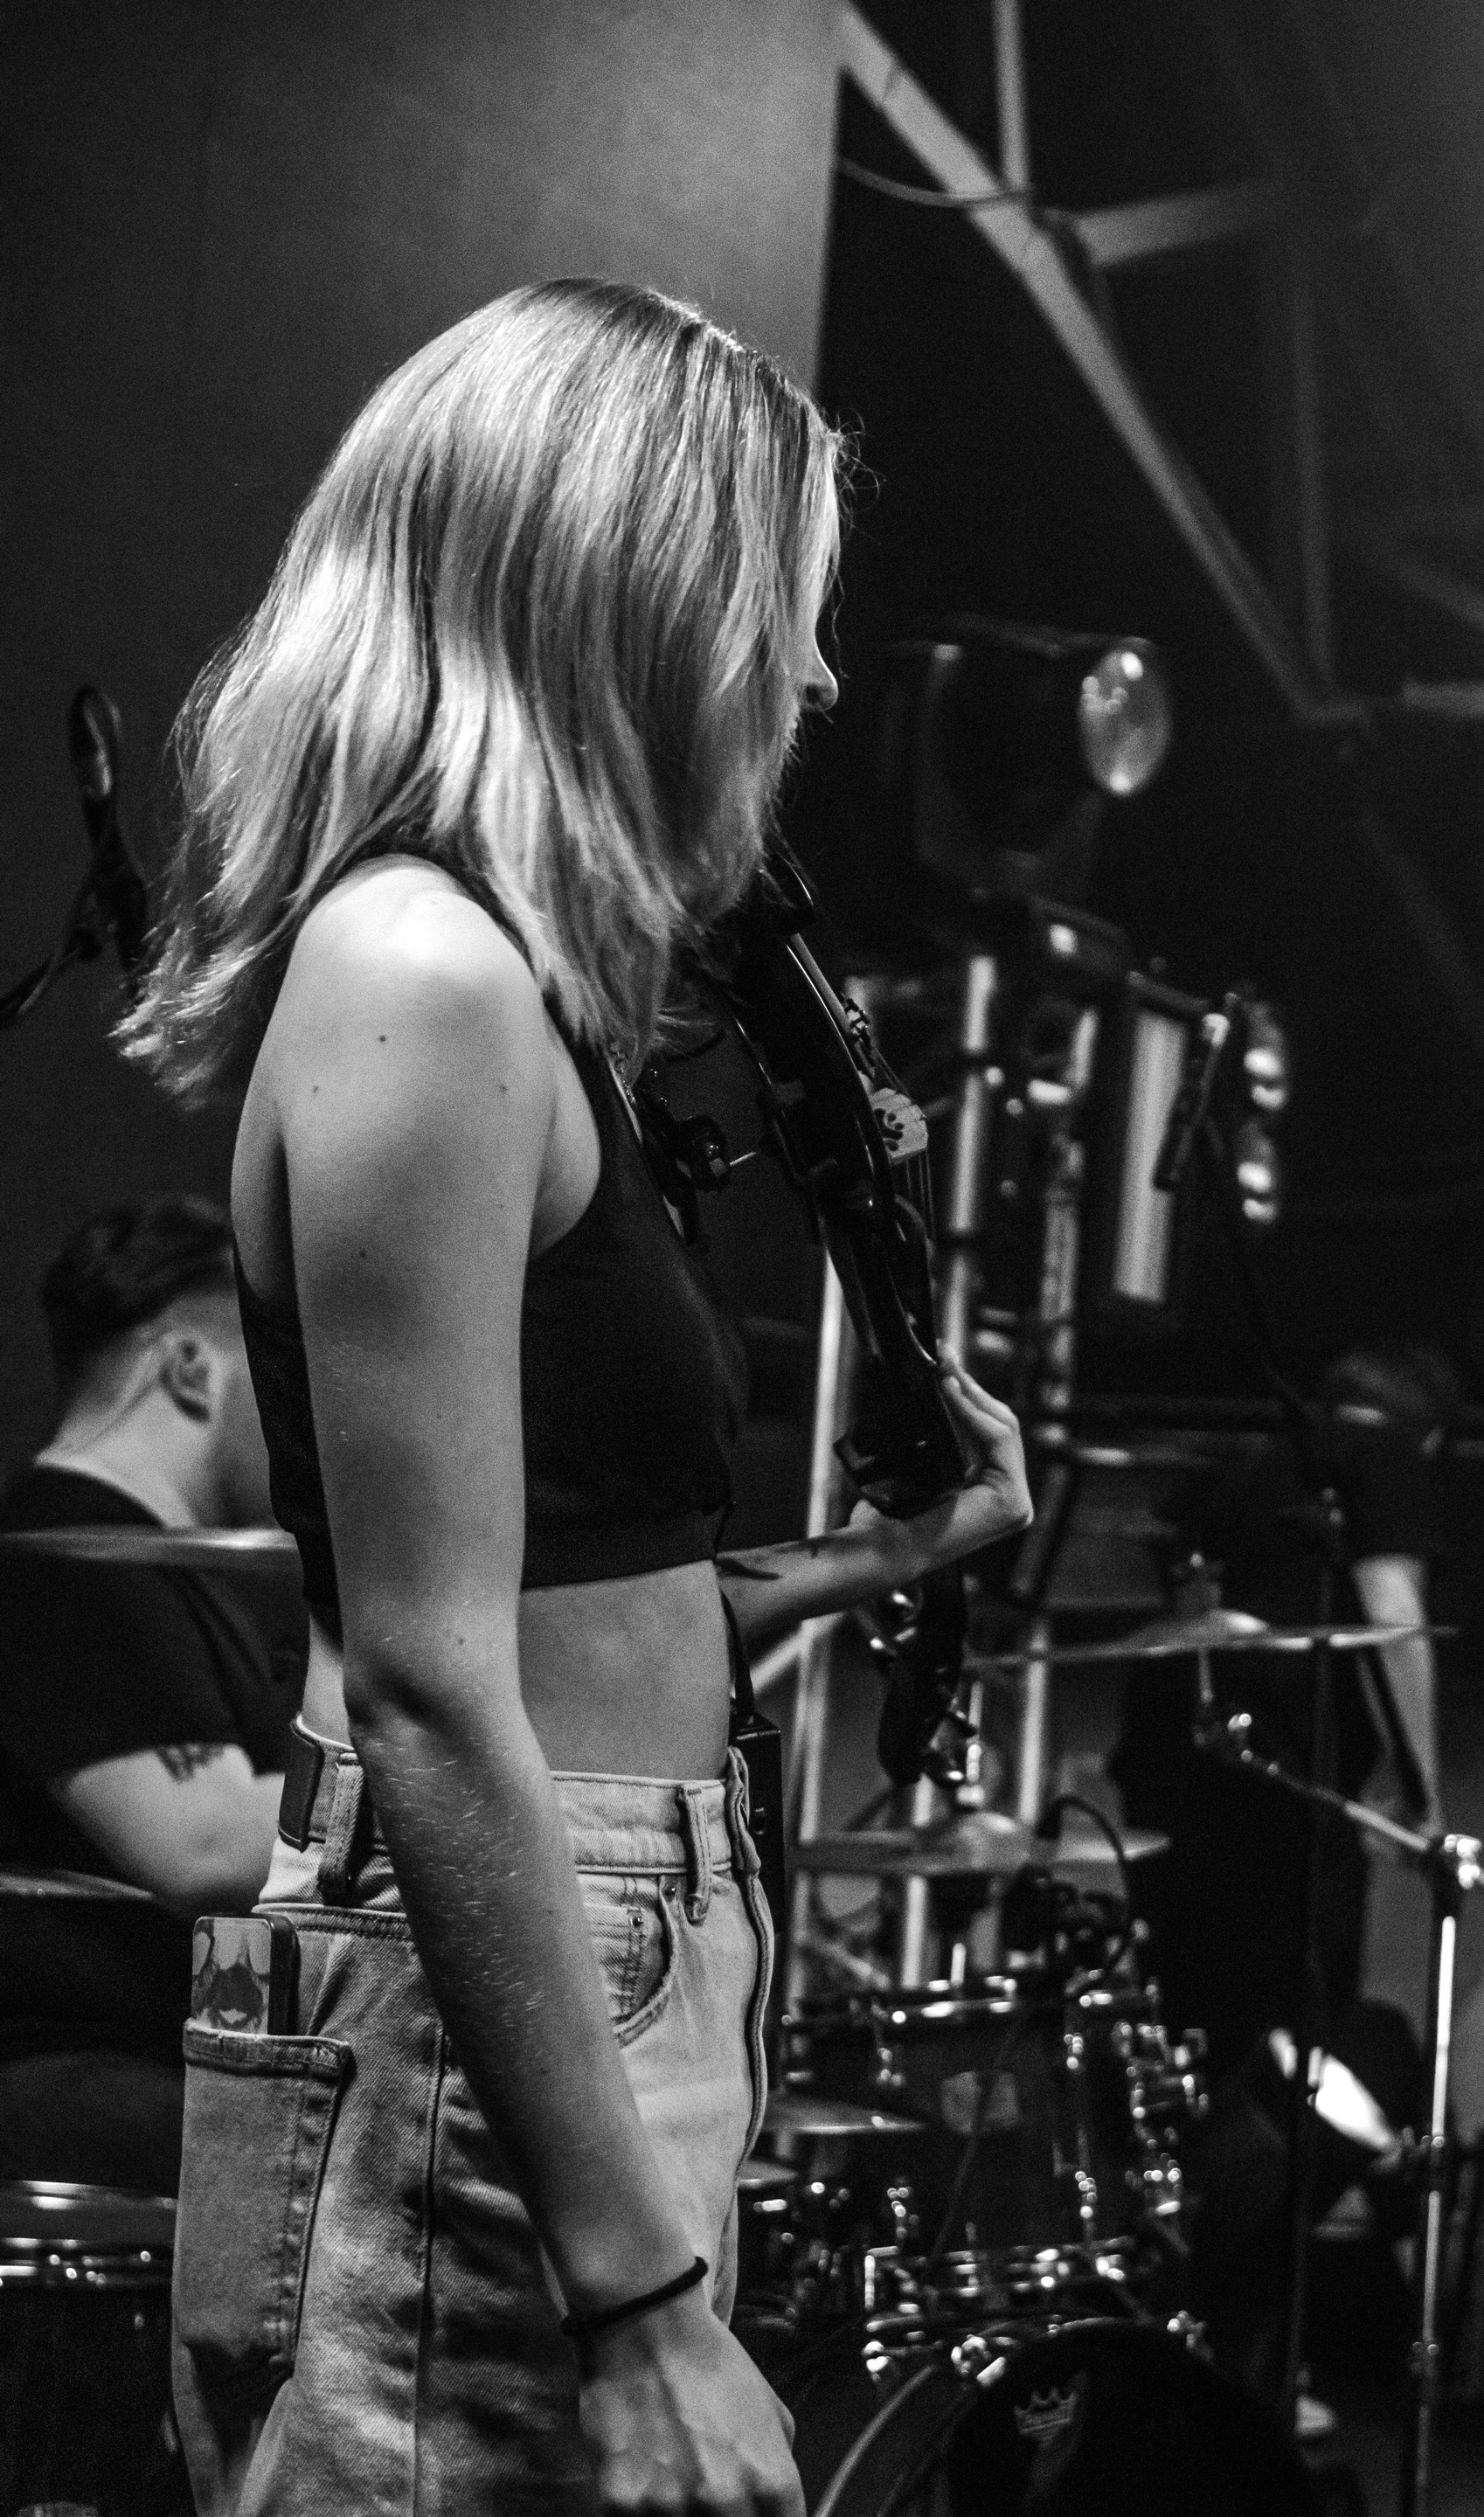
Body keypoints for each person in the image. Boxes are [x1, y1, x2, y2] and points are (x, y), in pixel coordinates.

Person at [122, 279, 1031, 2515]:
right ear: (631, 597)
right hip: (508, 1975)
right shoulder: (422, 971)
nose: (813, 677)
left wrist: (885, 1555)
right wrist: (637, 2304)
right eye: (779, 603)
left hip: (588, 1930)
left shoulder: (504, 992)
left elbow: (565, 1615)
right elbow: (431, 1689)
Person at [1115, 1342, 1456, 2412]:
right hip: (1286, 1803)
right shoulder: (1378, 1461)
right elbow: (1393, 1615)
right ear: (1427, 1435)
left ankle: (1179, 2340)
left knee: (1201, 2067)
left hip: (1173, 1802)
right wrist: (1423, 1794)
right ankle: (1240, 2358)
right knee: (1302, 2070)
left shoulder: (1236, 1475)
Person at [0, 1196, 305, 2193]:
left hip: (166, 2061)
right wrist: (453, 1763)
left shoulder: (175, 1573)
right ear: (188, 1367)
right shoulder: (65, 1562)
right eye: (279, 1374)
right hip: (70, 2075)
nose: (302, 1414)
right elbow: (204, 1847)